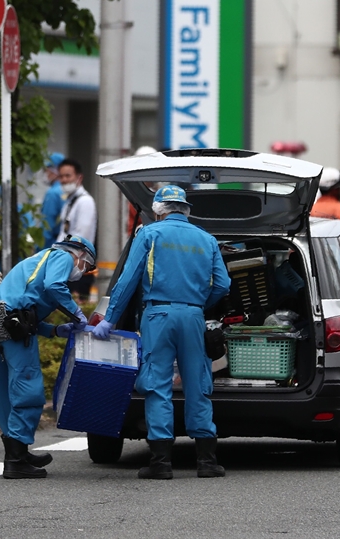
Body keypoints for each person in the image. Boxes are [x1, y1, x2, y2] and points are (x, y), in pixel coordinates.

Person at [94, 185, 231, 479]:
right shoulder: (206, 240)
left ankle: (160, 463)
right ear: (185, 209)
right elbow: (222, 285)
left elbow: (129, 279)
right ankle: (207, 462)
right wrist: (197, 305)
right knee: (198, 382)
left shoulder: (148, 234)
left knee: (157, 383)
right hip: (194, 316)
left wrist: (111, 318)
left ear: (159, 210)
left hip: (158, 316)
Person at [0, 234, 93, 478]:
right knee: (27, 386)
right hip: (13, 323)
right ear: (81, 255)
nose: (83, 272)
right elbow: (54, 287)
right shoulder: (64, 257)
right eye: (87, 266)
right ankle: (15, 460)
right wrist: (77, 314)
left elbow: (27, 313)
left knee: (4, 390)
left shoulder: (40, 259)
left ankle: (18, 451)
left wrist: (54, 331)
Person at [56, 158, 97, 299]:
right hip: (67, 266)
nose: (64, 180)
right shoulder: (70, 201)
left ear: (79, 177)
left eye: (68, 176)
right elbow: (63, 233)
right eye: (61, 176)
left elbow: (80, 239)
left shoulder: (85, 202)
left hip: (78, 269)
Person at [40, 152, 66, 249]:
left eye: (46, 170)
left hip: (52, 245)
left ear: (55, 171)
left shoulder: (52, 193)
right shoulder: (66, 191)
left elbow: (47, 227)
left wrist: (40, 250)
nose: (45, 174)